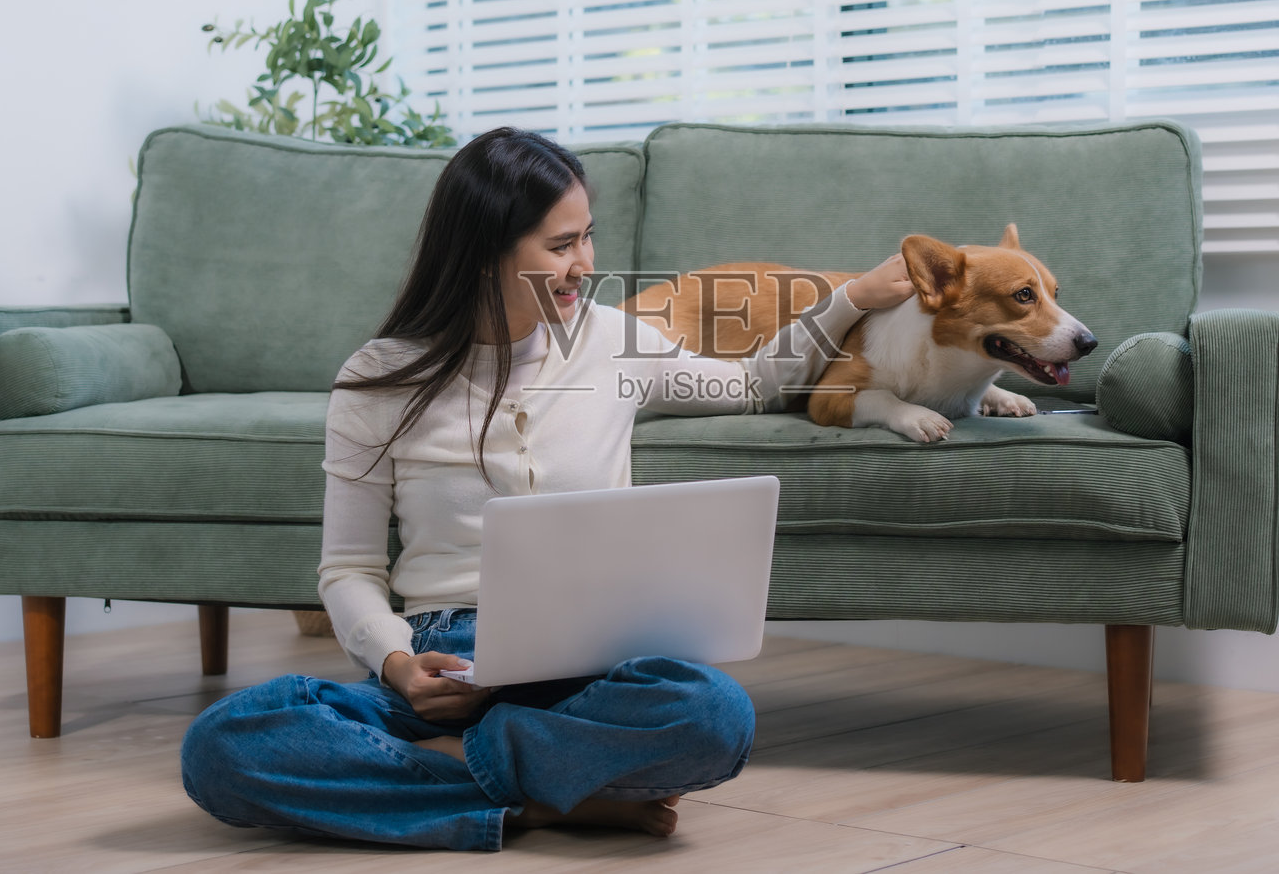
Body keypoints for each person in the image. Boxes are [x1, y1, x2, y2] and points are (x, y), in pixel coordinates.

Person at [179, 127, 914, 851]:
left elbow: (754, 383)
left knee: (715, 714)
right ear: (484, 253)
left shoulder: (614, 341)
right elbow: (348, 568)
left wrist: (851, 297)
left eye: (587, 237)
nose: (584, 264)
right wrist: (398, 665)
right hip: (442, 656)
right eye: (561, 246)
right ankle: (543, 798)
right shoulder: (378, 377)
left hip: (588, 659)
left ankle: (464, 777)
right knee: (222, 744)